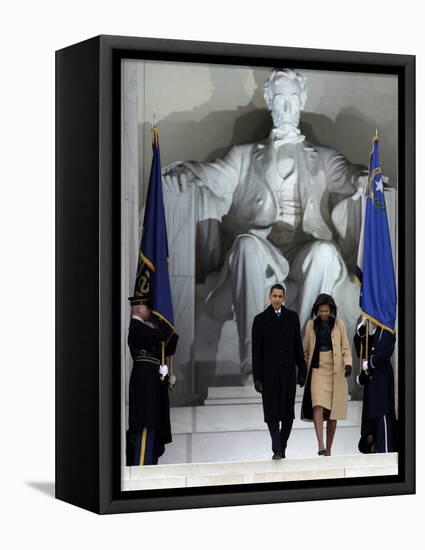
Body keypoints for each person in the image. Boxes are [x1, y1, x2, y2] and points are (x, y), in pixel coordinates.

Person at [163, 68, 368, 384]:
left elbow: (349, 173)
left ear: (302, 102)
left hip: (305, 250)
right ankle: (253, 362)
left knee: (326, 253)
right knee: (245, 244)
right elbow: (214, 175)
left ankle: (302, 356)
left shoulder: (323, 158)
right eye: (280, 100)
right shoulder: (245, 156)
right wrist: (186, 170)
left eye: (292, 100)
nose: (286, 108)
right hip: (263, 249)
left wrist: (364, 178)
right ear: (270, 102)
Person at [252, 284, 306, 459]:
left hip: (288, 374)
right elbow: (256, 352)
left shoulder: (292, 317)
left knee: (288, 415)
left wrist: (302, 370)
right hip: (269, 375)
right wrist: (257, 378)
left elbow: (298, 345)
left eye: (280, 296)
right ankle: (277, 448)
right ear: (269, 297)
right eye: (274, 296)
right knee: (272, 413)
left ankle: (282, 446)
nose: (277, 299)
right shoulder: (259, 320)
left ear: (284, 298)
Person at [126, 296, 178, 466]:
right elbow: (161, 334)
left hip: (152, 383)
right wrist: (163, 320)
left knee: (154, 425)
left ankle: (149, 463)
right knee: (146, 424)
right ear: (141, 309)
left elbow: (169, 344)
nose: (152, 313)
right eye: (151, 309)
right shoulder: (136, 328)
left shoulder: (145, 329)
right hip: (145, 384)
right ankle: (143, 465)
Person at [301, 294, 352, 456]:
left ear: (331, 310)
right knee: (317, 405)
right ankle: (321, 445)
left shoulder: (339, 324)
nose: (323, 313)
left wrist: (348, 364)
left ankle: (329, 449)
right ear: (316, 310)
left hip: (335, 370)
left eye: (326, 311)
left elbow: (345, 348)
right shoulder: (310, 325)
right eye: (321, 311)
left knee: (333, 413)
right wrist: (304, 369)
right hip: (317, 369)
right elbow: (306, 350)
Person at [354, 317, 397, 453]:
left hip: (381, 380)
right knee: (372, 421)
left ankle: (385, 451)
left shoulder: (387, 330)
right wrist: (361, 333)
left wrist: (371, 363)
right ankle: (377, 450)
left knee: (382, 415)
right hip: (372, 384)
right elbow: (362, 351)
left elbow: (383, 353)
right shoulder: (375, 332)